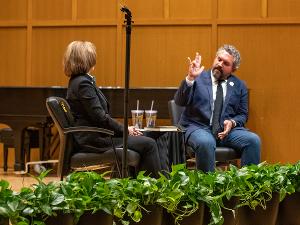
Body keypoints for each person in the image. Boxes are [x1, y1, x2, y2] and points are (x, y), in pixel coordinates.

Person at [63, 40, 161, 177]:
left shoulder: (78, 81)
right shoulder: (82, 83)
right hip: (95, 139)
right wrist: (125, 129)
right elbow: (100, 117)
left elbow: (99, 117)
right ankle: (156, 191)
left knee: (143, 138)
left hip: (96, 135)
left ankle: (136, 189)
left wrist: (125, 130)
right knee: (149, 144)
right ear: (87, 60)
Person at [174, 44, 261, 172]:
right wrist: (190, 78)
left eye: (226, 63)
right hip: (198, 127)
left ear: (233, 69)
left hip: (226, 133)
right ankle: (207, 189)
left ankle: (247, 188)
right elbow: (179, 101)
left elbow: (243, 115)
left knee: (253, 140)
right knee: (206, 142)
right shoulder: (198, 77)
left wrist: (232, 122)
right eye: (219, 59)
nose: (220, 64)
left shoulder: (239, 85)